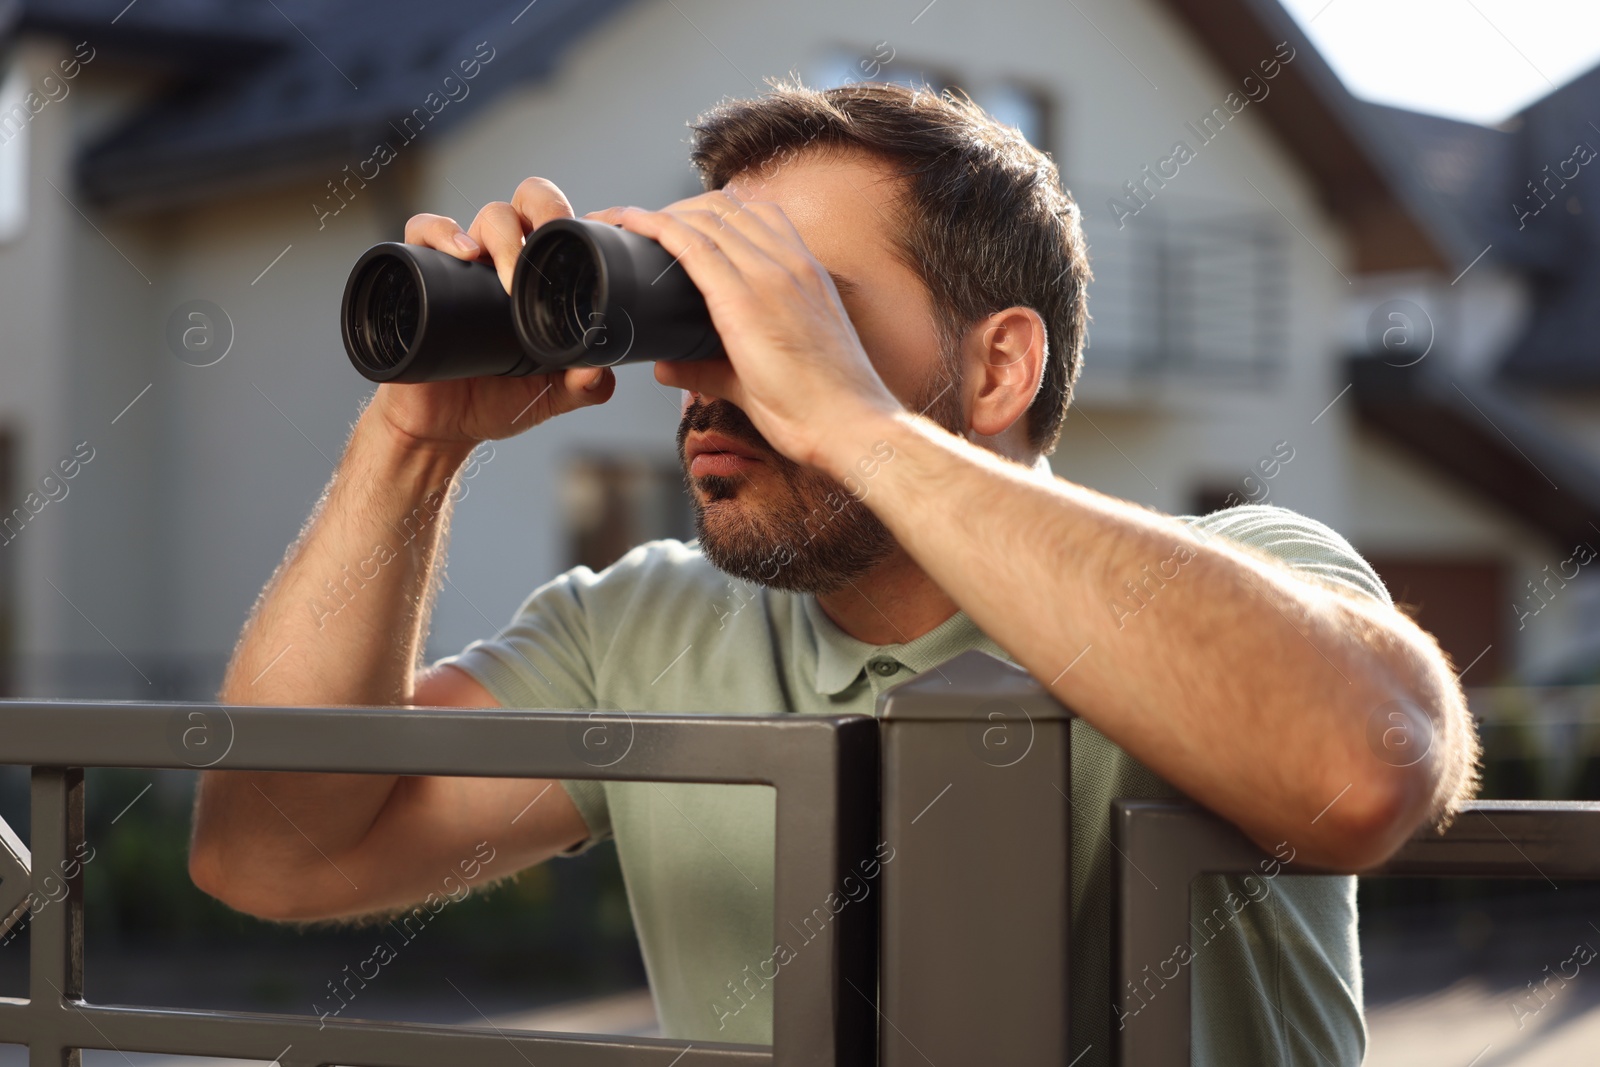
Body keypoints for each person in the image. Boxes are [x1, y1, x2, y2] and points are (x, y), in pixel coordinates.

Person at [189, 80, 1479, 1063]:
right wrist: (407, 452)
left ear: (997, 370)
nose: (706, 373)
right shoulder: (646, 626)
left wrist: (857, 426)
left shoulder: (1243, 574)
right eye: (701, 304)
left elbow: (1362, 772)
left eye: (795, 305)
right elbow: (273, 855)